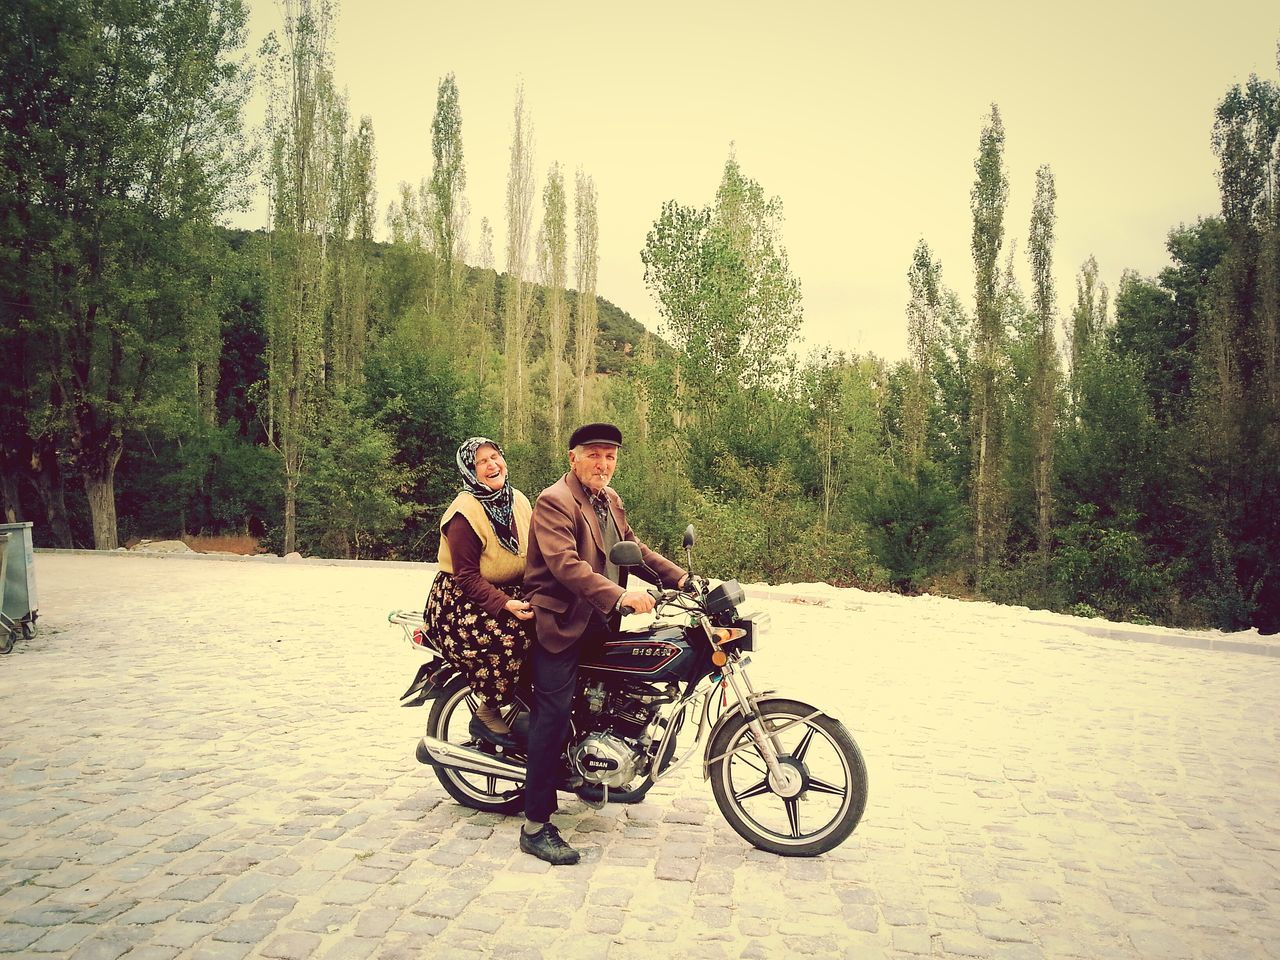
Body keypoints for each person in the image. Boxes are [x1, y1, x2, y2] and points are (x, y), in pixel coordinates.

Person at [517, 422, 688, 865]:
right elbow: (566, 565)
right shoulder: (555, 500)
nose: (603, 464)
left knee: (611, 695)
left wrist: (683, 579)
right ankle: (535, 825)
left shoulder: (609, 500)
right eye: (594, 454)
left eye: (610, 456)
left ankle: (595, 771)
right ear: (572, 458)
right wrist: (620, 595)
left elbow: (635, 550)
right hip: (561, 621)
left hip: (598, 621)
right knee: (552, 713)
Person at [423, 437, 534, 751]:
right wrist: (506, 603)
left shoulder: (519, 501)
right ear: (469, 471)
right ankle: (487, 710)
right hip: (460, 600)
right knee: (511, 635)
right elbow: (467, 577)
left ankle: (533, 704)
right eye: (481, 462)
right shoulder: (464, 514)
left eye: (495, 456)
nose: (492, 465)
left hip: (511, 589)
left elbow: (536, 553)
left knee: (556, 624)